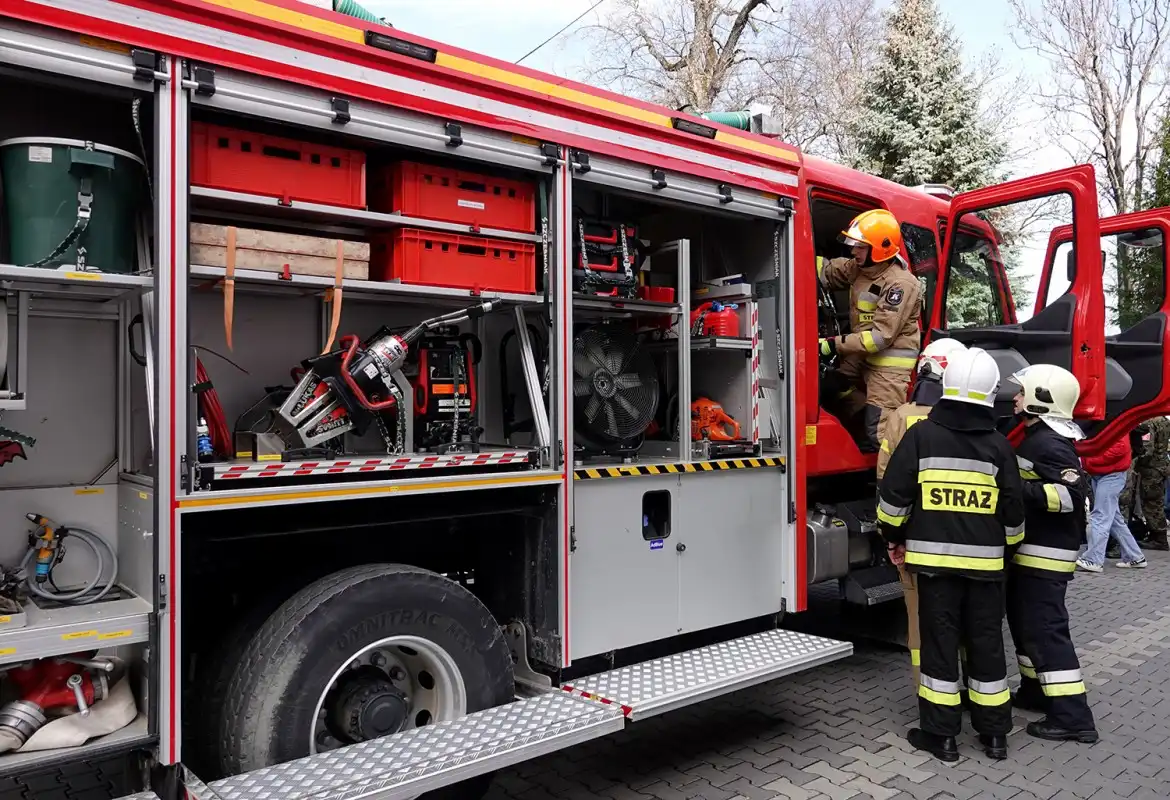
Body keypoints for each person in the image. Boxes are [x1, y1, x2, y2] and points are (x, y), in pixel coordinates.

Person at [877, 347, 1023, 762]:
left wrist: (894, 537)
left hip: (934, 568)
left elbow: (893, 500)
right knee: (987, 644)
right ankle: (995, 736)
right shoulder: (998, 446)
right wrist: (1005, 550)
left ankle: (941, 737)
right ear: (991, 393)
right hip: (987, 570)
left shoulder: (921, 436)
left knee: (939, 646)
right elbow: (1013, 515)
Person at [1007, 364, 1099, 743]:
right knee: (1025, 627)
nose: (1015, 397)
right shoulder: (1039, 437)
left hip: (1044, 558)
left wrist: (1014, 490)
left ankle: (1073, 718)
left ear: (1040, 399)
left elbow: (1071, 498)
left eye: (1022, 391)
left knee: (1046, 632)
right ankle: (1035, 691)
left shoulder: (1049, 443)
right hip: (1031, 555)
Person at [876, 337, 969, 690]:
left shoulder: (902, 416)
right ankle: (971, 690)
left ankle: (930, 694)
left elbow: (886, 479)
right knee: (967, 618)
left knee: (919, 619)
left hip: (917, 537)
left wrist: (891, 536)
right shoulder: (975, 420)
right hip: (967, 539)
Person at [818, 209, 923, 451]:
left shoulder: (900, 284)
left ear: (879, 250)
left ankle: (891, 473)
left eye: (860, 247)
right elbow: (827, 271)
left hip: (888, 365)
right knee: (833, 385)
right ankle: (862, 422)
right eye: (854, 245)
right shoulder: (861, 268)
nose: (853, 251)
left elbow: (879, 338)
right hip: (863, 356)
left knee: (880, 434)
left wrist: (832, 344)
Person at [1080, 428, 1148, 572]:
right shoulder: (1102, 423)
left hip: (1110, 474)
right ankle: (1135, 556)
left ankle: (1094, 560)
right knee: (1114, 519)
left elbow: (1119, 449)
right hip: (1103, 473)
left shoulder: (1113, 423)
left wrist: (1089, 460)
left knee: (1101, 516)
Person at [1120, 415, 1170, 551]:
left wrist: (1133, 458)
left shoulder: (1149, 422)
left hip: (1151, 469)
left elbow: (1147, 449)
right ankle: (1156, 536)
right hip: (1160, 466)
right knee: (1156, 502)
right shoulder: (1163, 419)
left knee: (1151, 504)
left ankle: (1158, 538)